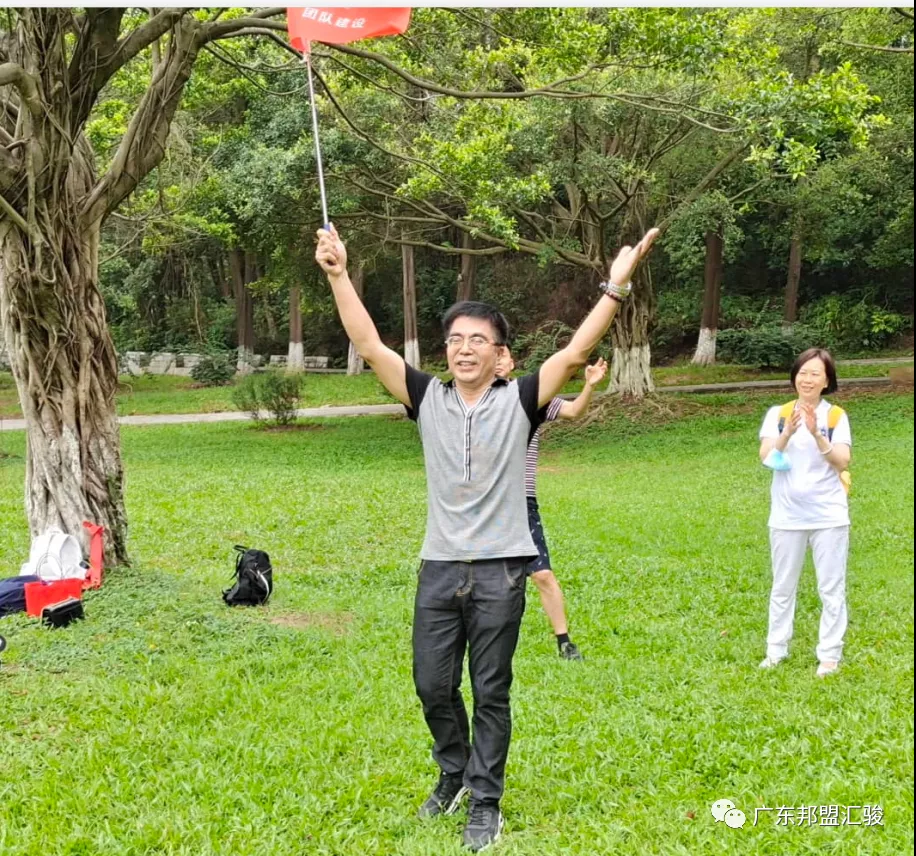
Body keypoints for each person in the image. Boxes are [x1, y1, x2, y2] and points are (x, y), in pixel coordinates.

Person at [315, 223, 657, 851]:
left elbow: (576, 353)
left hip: (501, 570)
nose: (464, 349)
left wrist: (616, 283)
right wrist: (339, 273)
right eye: (455, 340)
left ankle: (486, 800)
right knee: (432, 684)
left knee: (490, 688)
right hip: (440, 566)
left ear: (500, 352)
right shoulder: (427, 399)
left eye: (479, 340)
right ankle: (453, 770)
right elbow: (368, 342)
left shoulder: (523, 399)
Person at [495, 351, 609, 660]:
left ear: (511, 362)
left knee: (542, 574)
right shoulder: (473, 400)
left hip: (521, 501)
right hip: (485, 503)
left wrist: (589, 386)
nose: (497, 360)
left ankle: (564, 643)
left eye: (503, 354)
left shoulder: (532, 397)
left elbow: (572, 412)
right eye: (493, 354)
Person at [758, 348, 852, 678]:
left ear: (827, 381)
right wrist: (788, 432)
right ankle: (776, 650)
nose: (807, 379)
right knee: (783, 586)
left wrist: (816, 433)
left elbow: (842, 461)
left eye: (815, 374)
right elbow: (767, 458)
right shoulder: (779, 413)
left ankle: (829, 655)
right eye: (802, 372)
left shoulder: (836, 417)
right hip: (786, 516)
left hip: (828, 516)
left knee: (831, 588)